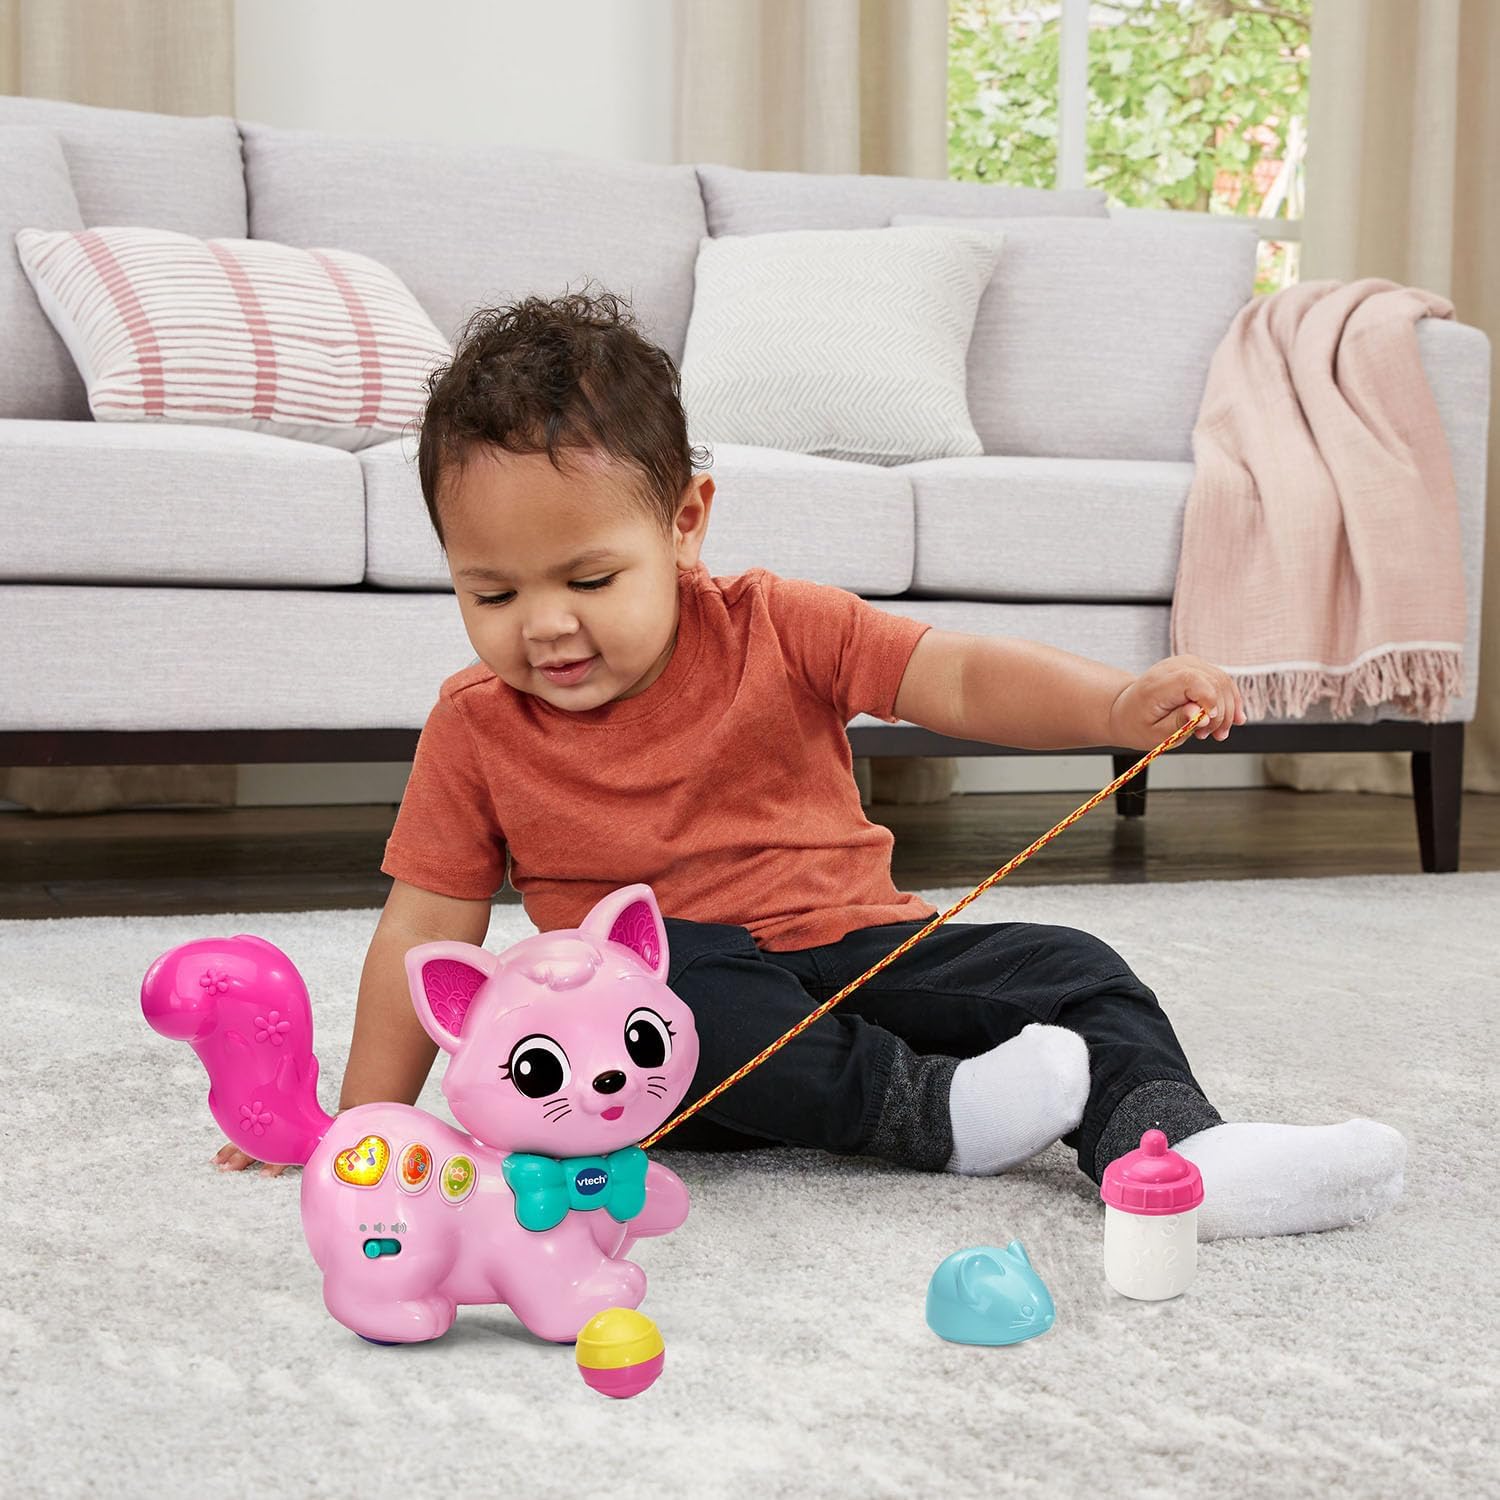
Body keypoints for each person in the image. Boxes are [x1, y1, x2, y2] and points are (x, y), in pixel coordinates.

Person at [218, 288, 1405, 1242]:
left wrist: (1117, 701)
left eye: (589, 580)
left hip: (852, 955)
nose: (545, 627)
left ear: (687, 522)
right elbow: (422, 931)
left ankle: (1179, 1154)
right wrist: (367, 1125)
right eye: (491, 592)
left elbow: (961, 675)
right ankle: (935, 1115)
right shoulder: (475, 726)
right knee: (679, 969)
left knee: (1072, 967)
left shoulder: (778, 624)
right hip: (657, 1048)